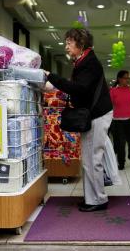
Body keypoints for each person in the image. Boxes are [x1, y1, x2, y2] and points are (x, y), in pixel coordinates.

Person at [44, 28, 113, 212]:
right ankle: (92, 198)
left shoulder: (89, 63)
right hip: (94, 114)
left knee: (92, 159)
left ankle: (99, 199)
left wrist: (52, 76)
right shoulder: (84, 61)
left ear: (80, 44)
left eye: (69, 43)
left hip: (98, 115)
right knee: (89, 159)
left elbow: (79, 88)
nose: (66, 46)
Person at [109, 70, 130, 170]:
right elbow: (108, 106)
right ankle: (121, 162)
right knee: (121, 143)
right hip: (117, 121)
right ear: (119, 79)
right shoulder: (113, 91)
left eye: (128, 78)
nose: (127, 80)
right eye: (125, 78)